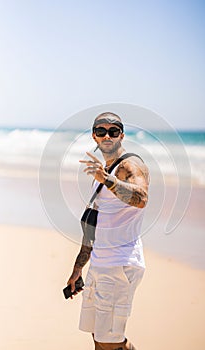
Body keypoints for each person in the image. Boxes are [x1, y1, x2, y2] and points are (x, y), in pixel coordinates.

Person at [67, 112, 149, 350]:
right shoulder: (102, 171)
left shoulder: (130, 165)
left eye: (113, 131)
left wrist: (108, 180)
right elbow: (93, 224)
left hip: (119, 264)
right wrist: (78, 268)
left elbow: (141, 198)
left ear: (121, 135)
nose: (107, 136)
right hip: (100, 264)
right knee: (99, 338)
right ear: (94, 136)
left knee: (108, 342)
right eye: (101, 131)